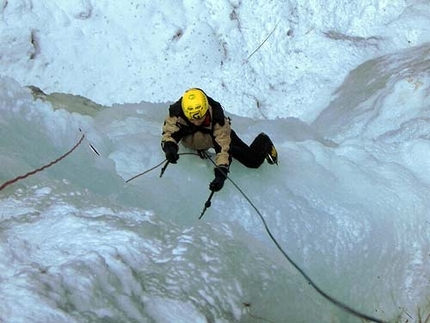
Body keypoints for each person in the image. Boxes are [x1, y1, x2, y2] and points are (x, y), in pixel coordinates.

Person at [161, 88, 277, 192]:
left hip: (217, 137)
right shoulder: (176, 114)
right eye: (193, 118)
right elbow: (169, 133)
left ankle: (264, 141)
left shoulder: (218, 119)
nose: (197, 122)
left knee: (253, 161)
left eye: (200, 117)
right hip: (195, 140)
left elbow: (223, 148)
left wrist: (221, 173)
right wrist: (169, 148)